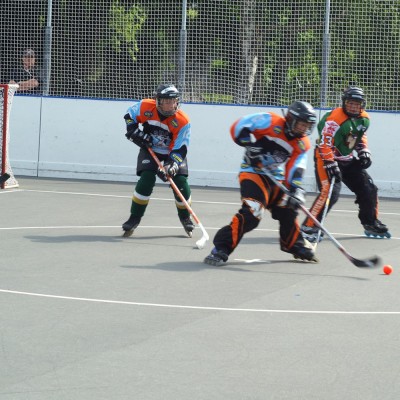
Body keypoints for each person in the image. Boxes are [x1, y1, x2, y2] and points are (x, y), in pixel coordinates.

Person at [204, 101, 318, 267]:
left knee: (288, 207)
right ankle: (221, 248)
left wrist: (295, 189)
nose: (304, 129)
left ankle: (294, 244)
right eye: (301, 124)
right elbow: (240, 126)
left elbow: (296, 167)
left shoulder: (302, 144)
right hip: (252, 172)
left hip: (275, 177)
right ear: (291, 119)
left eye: (307, 126)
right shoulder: (270, 121)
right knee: (253, 212)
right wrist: (249, 145)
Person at [300, 86, 391, 242]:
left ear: (362, 105)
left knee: (369, 188)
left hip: (346, 158)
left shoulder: (364, 119)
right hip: (325, 158)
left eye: (357, 104)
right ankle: (309, 226)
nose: (353, 107)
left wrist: (363, 151)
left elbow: (358, 136)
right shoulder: (334, 119)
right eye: (350, 103)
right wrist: (330, 163)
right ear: (344, 103)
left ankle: (370, 222)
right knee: (329, 192)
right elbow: (324, 143)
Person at [122, 83, 195, 238]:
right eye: (167, 101)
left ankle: (185, 217)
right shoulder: (145, 106)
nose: (171, 105)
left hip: (172, 152)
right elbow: (129, 115)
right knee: (147, 178)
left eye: (173, 101)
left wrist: (172, 164)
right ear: (158, 101)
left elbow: (181, 147)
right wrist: (133, 131)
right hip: (150, 149)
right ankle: (134, 217)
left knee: (180, 182)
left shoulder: (183, 121)